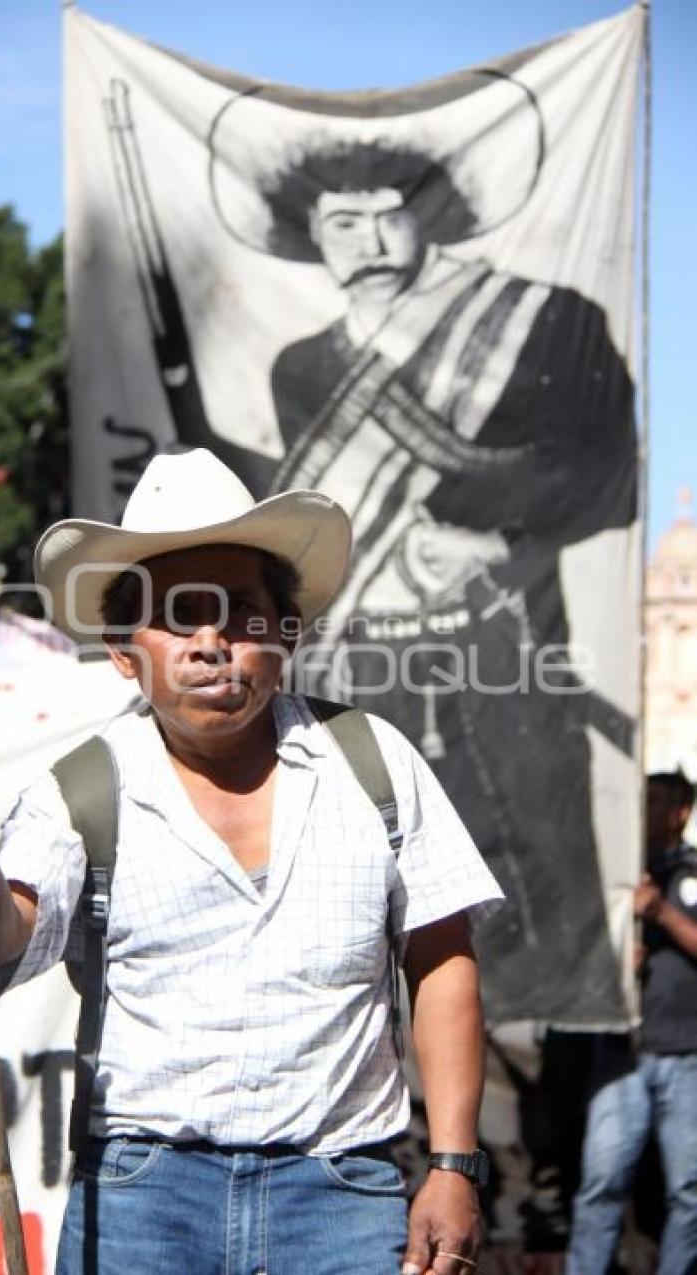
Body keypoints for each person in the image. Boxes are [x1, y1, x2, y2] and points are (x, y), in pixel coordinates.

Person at [0, 447, 504, 1275]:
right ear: (122, 650)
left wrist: (453, 1165)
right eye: (179, 615)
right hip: (143, 1205)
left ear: (286, 635)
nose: (212, 641)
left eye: (243, 613)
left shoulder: (375, 763)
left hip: (341, 1197)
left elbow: (442, 962)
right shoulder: (83, 790)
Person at [243, 136, 637, 1026]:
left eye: (391, 213)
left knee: (534, 864)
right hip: (360, 665)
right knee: (354, 874)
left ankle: (534, 1117)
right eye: (343, 221)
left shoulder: (543, 319)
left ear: (432, 217)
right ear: (312, 234)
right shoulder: (300, 365)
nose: (370, 240)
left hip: (498, 645)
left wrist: (493, 535)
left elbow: (606, 469)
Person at [565, 770, 697, 1275]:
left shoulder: (686, 874)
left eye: (657, 801)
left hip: (685, 1053)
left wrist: (662, 912)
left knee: (687, 1189)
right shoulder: (616, 876)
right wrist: (621, 958)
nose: (644, 811)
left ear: (680, 812)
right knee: (602, 1181)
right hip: (622, 1049)